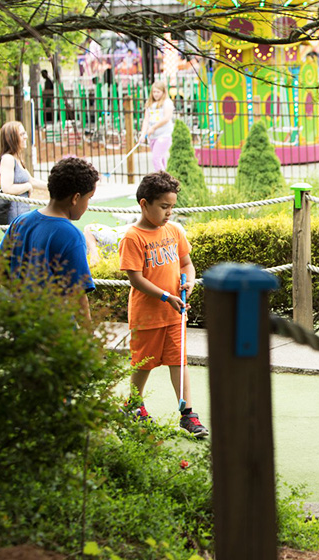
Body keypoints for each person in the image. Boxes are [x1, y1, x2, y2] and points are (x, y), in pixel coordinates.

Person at [118, 171, 207, 438]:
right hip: (148, 316)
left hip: (175, 314)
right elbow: (135, 278)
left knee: (178, 362)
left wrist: (189, 283)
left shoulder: (174, 230)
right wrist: (166, 297)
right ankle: (133, 404)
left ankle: (187, 414)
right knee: (143, 363)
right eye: (164, 207)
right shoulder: (133, 237)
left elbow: (186, 264)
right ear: (145, 204)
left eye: (172, 207)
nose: (169, 213)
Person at [0, 156, 100, 323]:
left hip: (19, 324)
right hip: (56, 333)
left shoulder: (20, 222)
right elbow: (78, 297)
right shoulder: (72, 236)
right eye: (88, 198)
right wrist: (88, 339)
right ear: (75, 198)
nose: (87, 204)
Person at [0, 120, 47, 224]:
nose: (26, 137)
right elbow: (7, 188)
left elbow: (32, 181)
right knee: (15, 240)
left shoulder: (17, 159)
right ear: (12, 139)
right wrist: (27, 186)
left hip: (22, 213)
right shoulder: (8, 159)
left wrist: (54, 186)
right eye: (21, 134)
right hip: (14, 216)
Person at [140, 80, 175, 172]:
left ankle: (163, 180)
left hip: (164, 135)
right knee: (161, 159)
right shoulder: (150, 104)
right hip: (153, 136)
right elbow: (146, 120)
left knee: (156, 158)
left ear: (163, 92)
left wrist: (153, 128)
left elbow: (167, 118)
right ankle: (166, 180)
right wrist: (143, 134)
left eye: (158, 92)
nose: (155, 94)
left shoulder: (167, 103)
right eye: (154, 92)